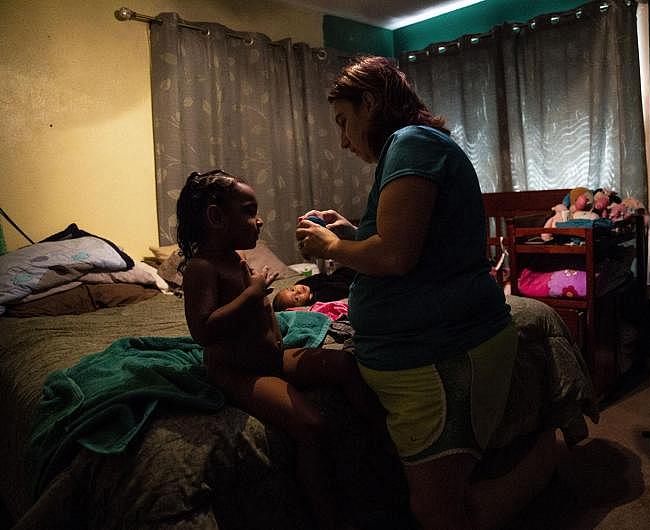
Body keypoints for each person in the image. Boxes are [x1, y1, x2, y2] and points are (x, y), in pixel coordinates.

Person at [295, 56, 557, 530]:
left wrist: (333, 246)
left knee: (436, 511)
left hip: (442, 351)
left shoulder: (410, 143)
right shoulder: (410, 147)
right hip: (420, 347)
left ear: (370, 102)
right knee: (430, 497)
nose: (342, 139)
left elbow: (395, 256)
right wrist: (354, 231)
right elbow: (419, 245)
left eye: (343, 121)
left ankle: (545, 458)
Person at [175, 169, 381, 530]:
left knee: (345, 365)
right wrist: (252, 294)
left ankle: (383, 444)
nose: (259, 220)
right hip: (238, 371)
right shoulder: (201, 268)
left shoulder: (237, 260)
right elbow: (203, 330)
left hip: (271, 357)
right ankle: (326, 514)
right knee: (311, 423)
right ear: (216, 217)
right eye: (249, 211)